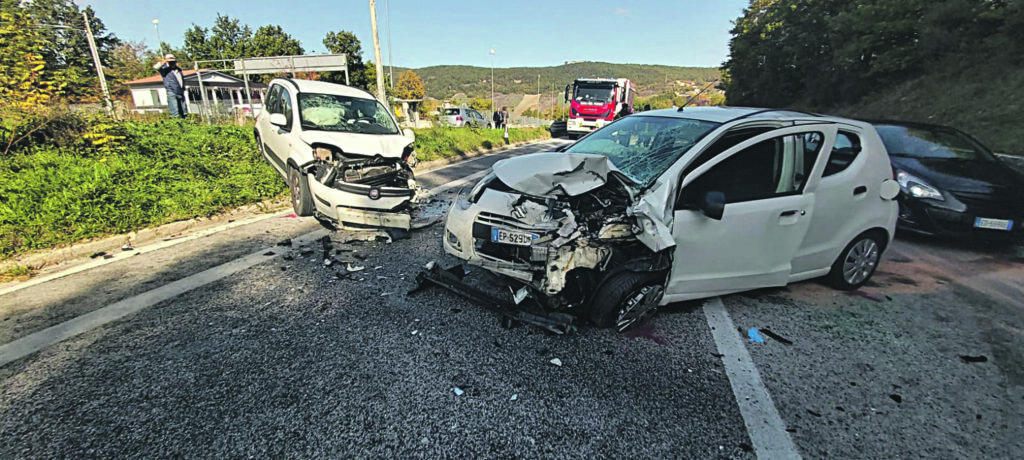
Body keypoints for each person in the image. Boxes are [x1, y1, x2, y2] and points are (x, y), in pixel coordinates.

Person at [153, 54, 187, 118]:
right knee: (175, 112)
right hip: (172, 91)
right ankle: (176, 122)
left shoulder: (178, 69)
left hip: (180, 91)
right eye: (171, 62)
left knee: (184, 111)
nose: (173, 63)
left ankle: (185, 121)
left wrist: (183, 88)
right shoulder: (164, 69)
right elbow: (156, 67)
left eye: (174, 61)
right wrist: (165, 60)